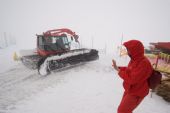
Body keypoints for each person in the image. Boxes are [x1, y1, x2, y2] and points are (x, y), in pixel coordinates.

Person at [112, 40, 153, 113]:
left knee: (122, 111)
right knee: (123, 110)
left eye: (128, 50)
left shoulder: (144, 63)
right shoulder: (134, 60)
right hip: (130, 89)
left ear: (135, 50)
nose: (127, 52)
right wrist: (119, 68)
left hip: (137, 92)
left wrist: (119, 71)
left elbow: (132, 79)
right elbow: (129, 70)